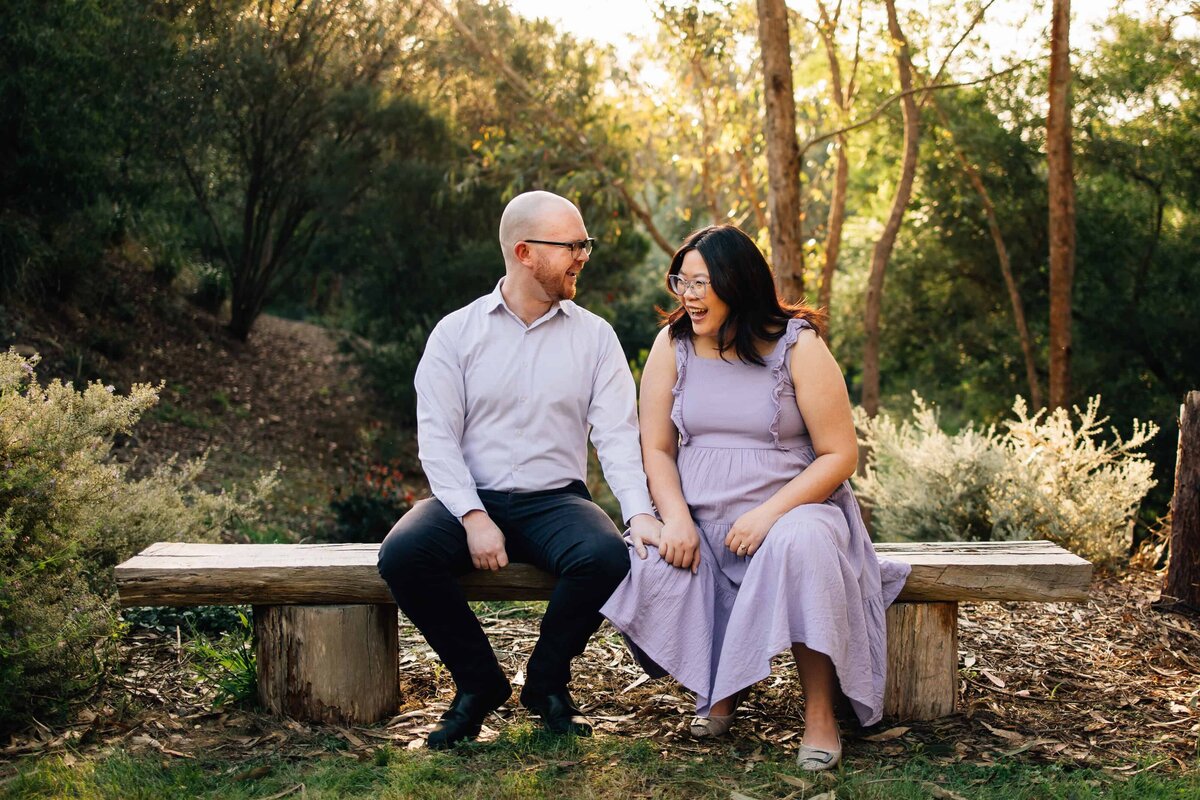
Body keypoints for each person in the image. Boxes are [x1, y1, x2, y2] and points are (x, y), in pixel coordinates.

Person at [600, 225, 910, 771]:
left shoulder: (798, 345)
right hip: (701, 516)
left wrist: (768, 516)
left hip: (795, 513)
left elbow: (840, 455)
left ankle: (819, 713)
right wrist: (675, 518)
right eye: (681, 281)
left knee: (802, 547)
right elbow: (656, 447)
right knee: (658, 558)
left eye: (700, 283)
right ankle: (722, 687)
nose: (687, 296)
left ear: (736, 283)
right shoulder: (672, 346)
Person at [377, 190, 662, 749]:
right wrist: (473, 515)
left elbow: (617, 438)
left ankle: (546, 682)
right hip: (468, 497)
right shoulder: (456, 334)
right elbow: (437, 439)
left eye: (586, 244)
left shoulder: (595, 337)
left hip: (555, 501)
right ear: (525, 251)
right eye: (573, 245)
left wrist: (640, 514)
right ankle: (478, 684)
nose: (584, 255)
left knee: (606, 557)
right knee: (402, 555)